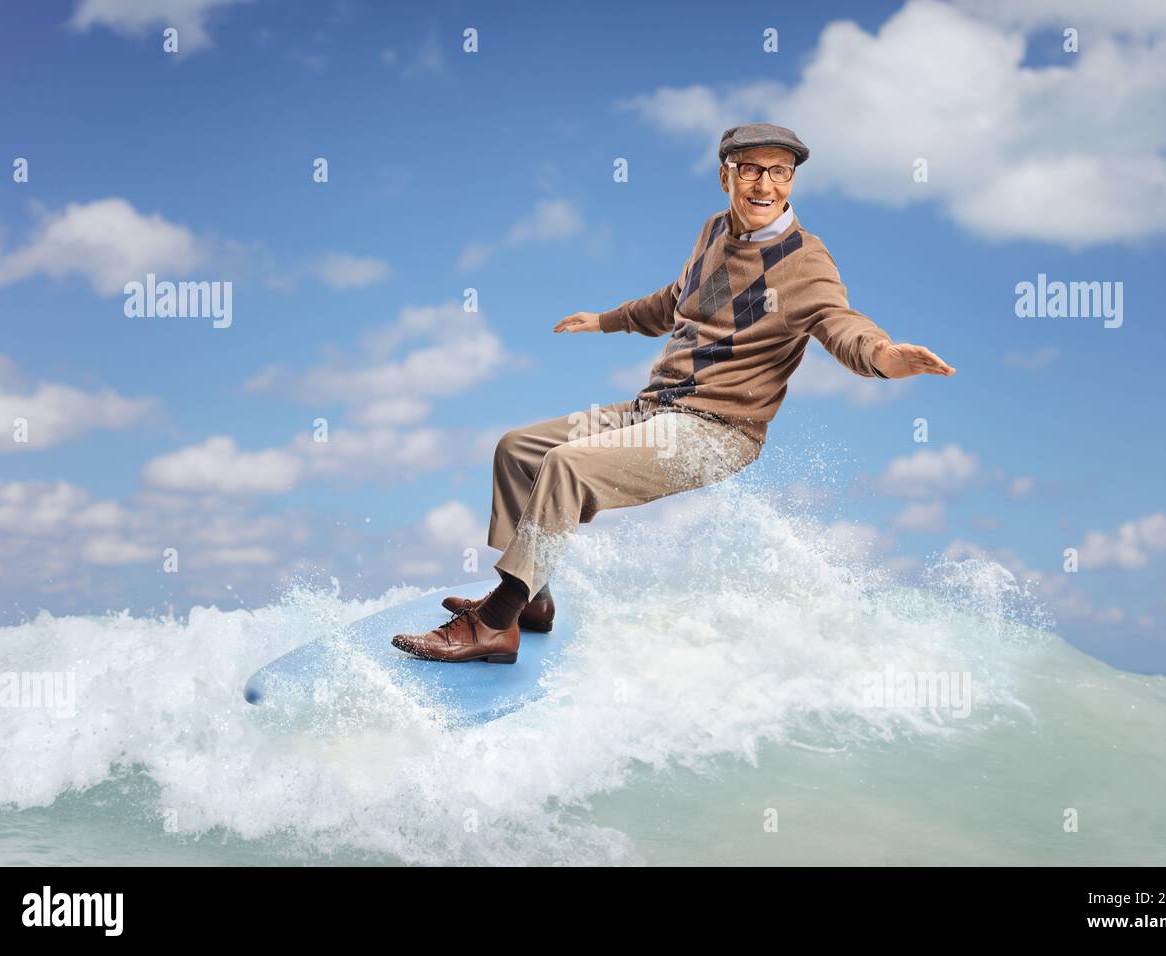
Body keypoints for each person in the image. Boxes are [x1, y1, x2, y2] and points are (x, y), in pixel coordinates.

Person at [392, 122, 955, 663]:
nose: (765, 185)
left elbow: (840, 322)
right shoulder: (714, 230)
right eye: (750, 170)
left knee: (567, 466)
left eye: (780, 173)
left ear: (792, 181)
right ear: (725, 176)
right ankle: (533, 600)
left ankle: (494, 625)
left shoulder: (806, 261)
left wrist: (884, 357)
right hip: (653, 410)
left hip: (714, 431)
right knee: (518, 449)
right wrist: (605, 320)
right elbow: (675, 300)